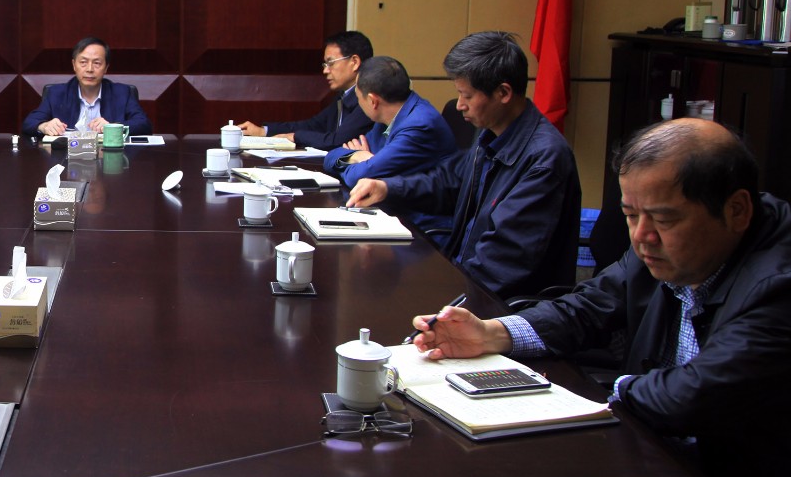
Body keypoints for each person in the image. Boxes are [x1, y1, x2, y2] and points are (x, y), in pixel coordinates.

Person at [410, 119, 791, 477]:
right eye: (631, 215)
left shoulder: (778, 284)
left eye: (664, 220)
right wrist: (492, 334)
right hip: (658, 465)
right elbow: (588, 306)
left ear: (737, 211)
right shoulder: (662, 247)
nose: (642, 237)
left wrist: (604, 395)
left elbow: (692, 396)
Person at [346, 31, 579, 300]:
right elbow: (450, 182)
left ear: (503, 92)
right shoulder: (490, 135)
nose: (459, 106)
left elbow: (503, 262)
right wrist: (388, 188)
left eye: (466, 95)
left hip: (503, 306)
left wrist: (447, 296)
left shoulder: (543, 160)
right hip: (466, 281)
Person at [325, 56, 455, 235]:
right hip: (388, 215)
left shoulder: (419, 126)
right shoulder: (388, 117)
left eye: (358, 97)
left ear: (373, 101)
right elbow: (331, 157)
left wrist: (366, 165)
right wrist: (356, 156)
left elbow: (360, 177)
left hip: (419, 229)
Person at [239, 31, 372, 149]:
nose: (325, 71)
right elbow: (313, 125)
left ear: (354, 62)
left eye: (331, 63)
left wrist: (295, 137)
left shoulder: (369, 100)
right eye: (325, 64)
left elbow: (337, 141)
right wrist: (264, 131)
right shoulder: (343, 96)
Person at [22, 37, 151, 137]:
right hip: (67, 158)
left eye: (97, 63)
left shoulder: (122, 92)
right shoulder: (57, 93)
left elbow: (144, 124)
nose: (89, 69)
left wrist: (113, 127)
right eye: (83, 62)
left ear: (106, 67)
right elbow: (29, 123)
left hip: (109, 158)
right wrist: (44, 126)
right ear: (74, 65)